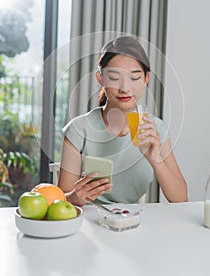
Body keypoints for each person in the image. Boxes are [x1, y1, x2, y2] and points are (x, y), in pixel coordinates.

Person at [58, 36, 187, 205]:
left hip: (133, 222)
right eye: (114, 78)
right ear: (101, 78)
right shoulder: (78, 130)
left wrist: (156, 160)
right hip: (87, 220)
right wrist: (78, 195)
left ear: (146, 79)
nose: (125, 88)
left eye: (134, 78)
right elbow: (61, 202)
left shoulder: (155, 129)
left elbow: (181, 199)